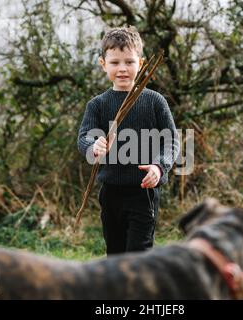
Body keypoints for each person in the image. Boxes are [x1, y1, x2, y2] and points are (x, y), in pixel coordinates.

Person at [77, 26, 180, 255]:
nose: (122, 69)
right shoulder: (98, 105)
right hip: (110, 192)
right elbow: (84, 137)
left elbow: (172, 140)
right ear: (103, 64)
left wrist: (159, 166)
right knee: (115, 254)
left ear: (141, 63)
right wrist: (94, 145)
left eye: (129, 62)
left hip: (143, 192)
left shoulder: (155, 101)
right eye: (115, 63)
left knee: (137, 255)